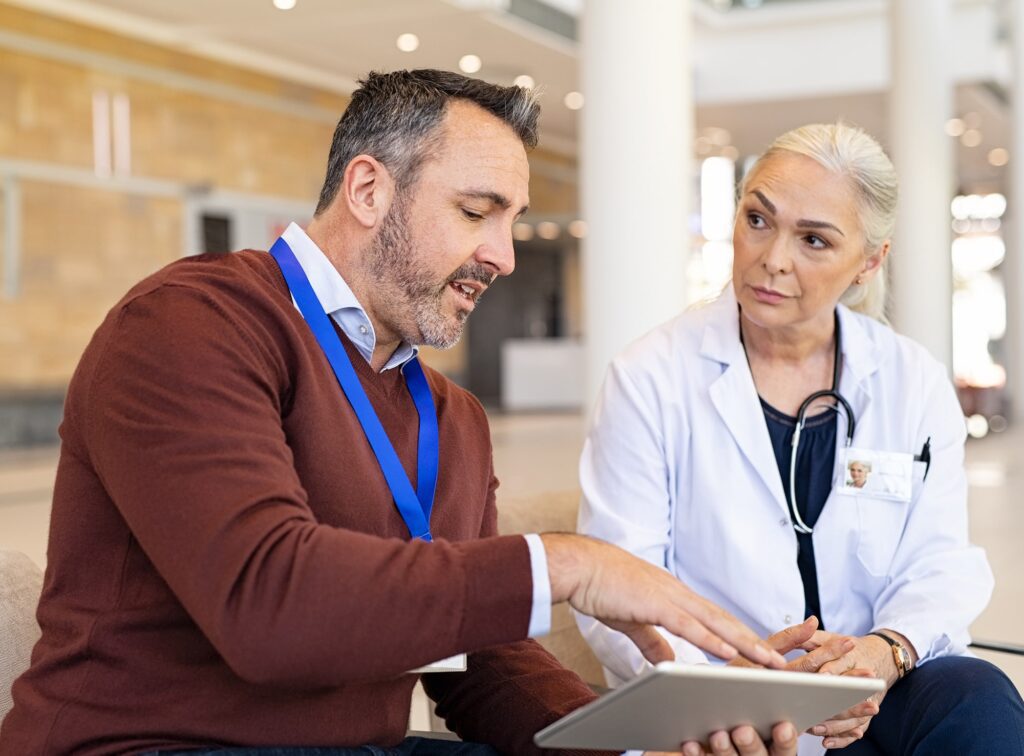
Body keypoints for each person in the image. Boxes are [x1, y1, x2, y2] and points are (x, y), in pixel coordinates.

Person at [0, 70, 796, 756]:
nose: (504, 255)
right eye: (477, 211)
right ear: (370, 189)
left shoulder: (451, 416)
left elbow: (476, 661)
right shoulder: (191, 323)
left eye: (512, 221)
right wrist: (568, 563)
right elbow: (267, 603)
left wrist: (636, 740)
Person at [576, 122, 1024, 755]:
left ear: (869, 262)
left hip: (874, 703)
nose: (773, 257)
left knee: (977, 697)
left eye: (813, 239)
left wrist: (885, 651)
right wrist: (722, 695)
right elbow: (619, 585)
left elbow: (941, 562)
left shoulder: (909, 378)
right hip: (723, 713)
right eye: (758, 219)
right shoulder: (651, 377)